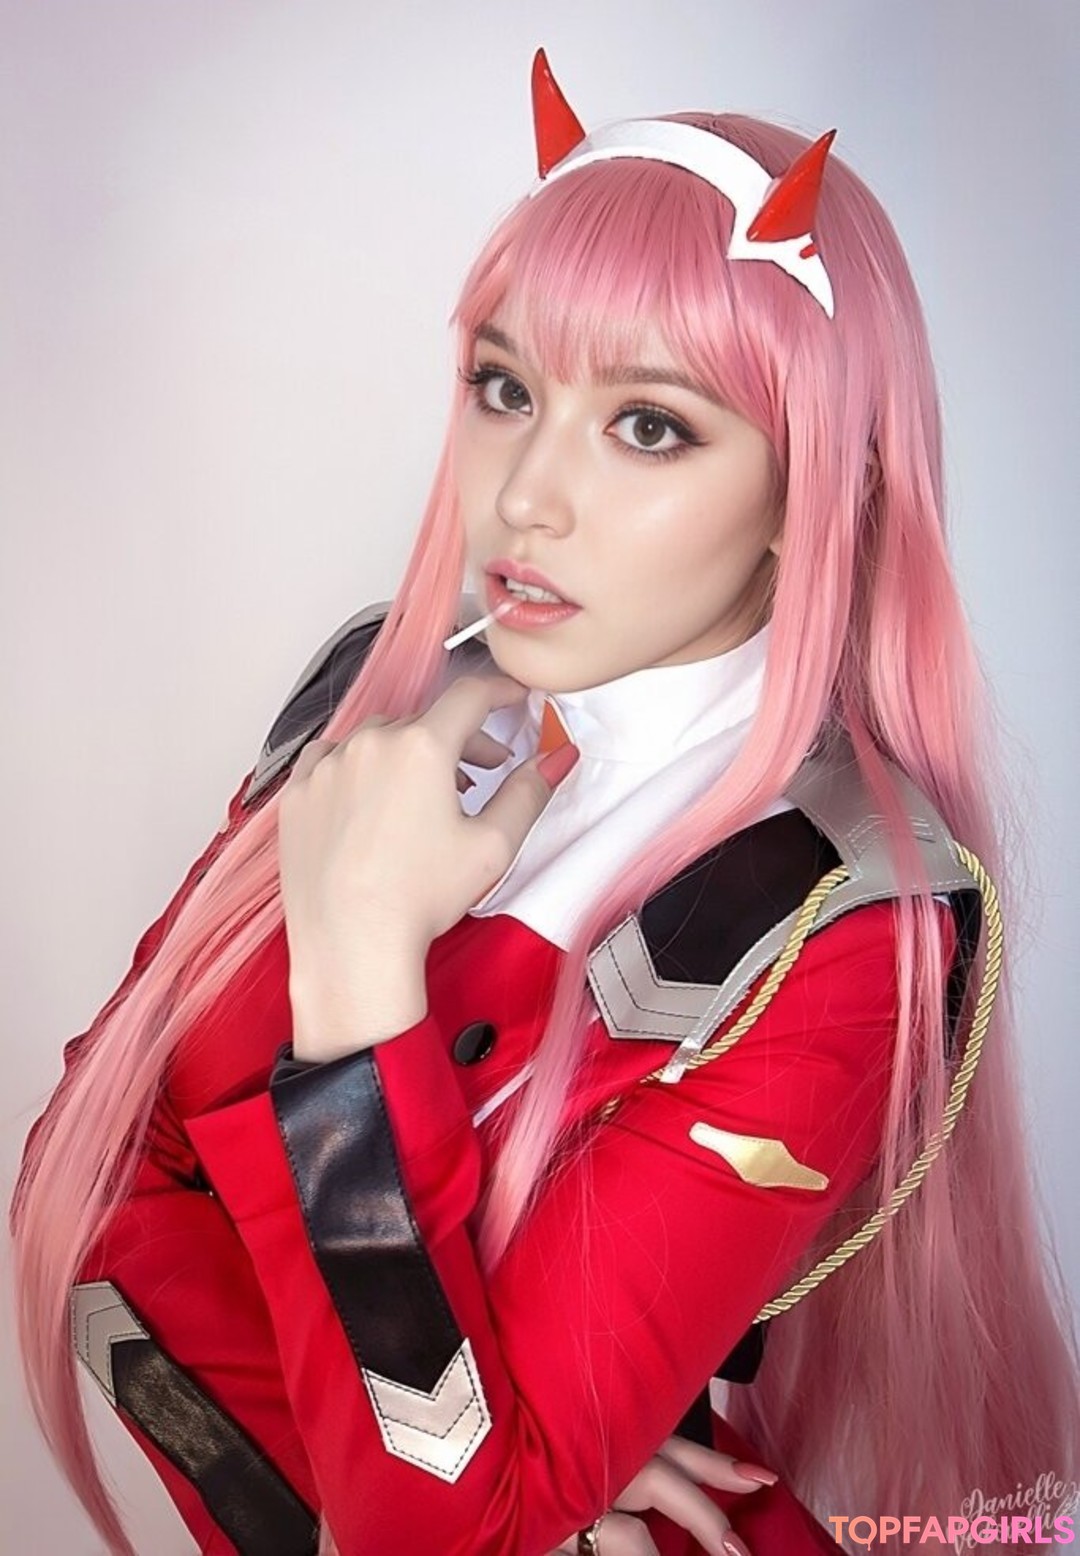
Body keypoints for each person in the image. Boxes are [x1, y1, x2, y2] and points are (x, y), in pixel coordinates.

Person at [10, 45, 1080, 1556]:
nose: (525, 496)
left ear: (818, 491)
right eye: (506, 389)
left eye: (649, 424)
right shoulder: (370, 705)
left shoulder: (841, 922)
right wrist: (492, 1481)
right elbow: (85, 1198)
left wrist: (360, 980)